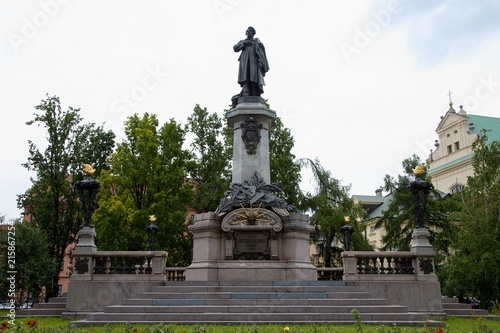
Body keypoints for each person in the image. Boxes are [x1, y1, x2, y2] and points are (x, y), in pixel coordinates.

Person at [233, 26, 270, 100]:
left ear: (253, 33)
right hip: (244, 61)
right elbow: (235, 48)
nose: (248, 32)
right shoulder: (242, 42)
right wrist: (244, 43)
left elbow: (261, 52)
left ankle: (254, 92)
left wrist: (261, 62)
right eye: (247, 31)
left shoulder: (256, 42)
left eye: (250, 31)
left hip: (254, 62)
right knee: (245, 76)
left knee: (254, 77)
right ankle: (246, 91)